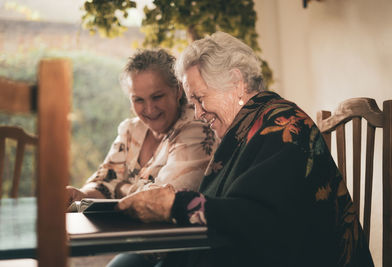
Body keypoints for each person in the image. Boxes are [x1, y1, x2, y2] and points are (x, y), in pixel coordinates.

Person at [114, 32, 374, 267]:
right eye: (192, 102)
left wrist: (176, 203)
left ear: (236, 81)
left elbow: (258, 220)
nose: (198, 113)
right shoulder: (248, 128)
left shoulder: (284, 126)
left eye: (200, 98)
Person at [66, 49, 217, 205]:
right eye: (139, 100)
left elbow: (161, 199)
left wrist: (120, 187)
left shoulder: (199, 129)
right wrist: (80, 194)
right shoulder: (130, 130)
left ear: (178, 90)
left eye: (157, 97)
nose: (150, 109)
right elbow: (103, 181)